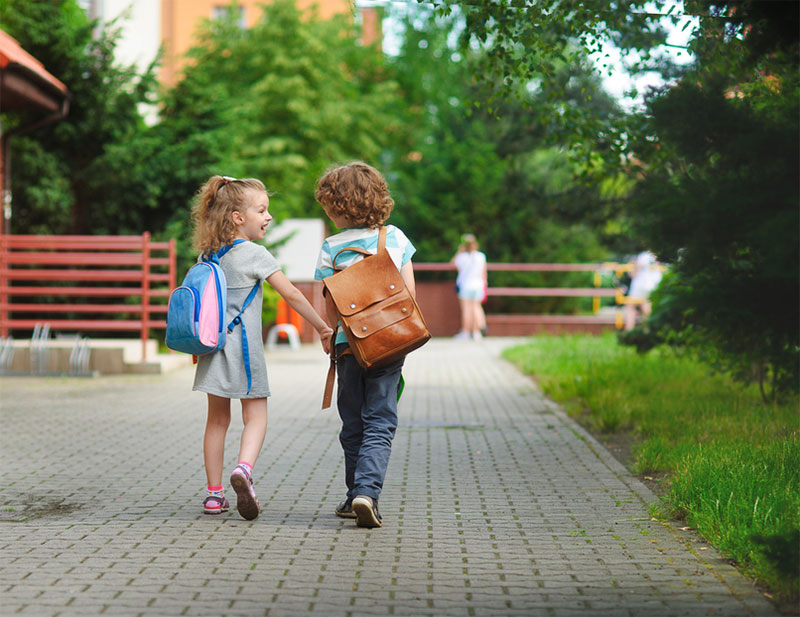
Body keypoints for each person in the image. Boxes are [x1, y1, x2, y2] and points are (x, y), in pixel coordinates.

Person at [191, 175, 333, 520]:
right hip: (244, 351)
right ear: (238, 217)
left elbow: (198, 304)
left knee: (216, 421)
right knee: (256, 415)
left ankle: (213, 496)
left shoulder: (207, 255)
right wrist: (322, 327)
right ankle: (243, 469)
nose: (268, 216)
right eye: (262, 210)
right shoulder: (254, 253)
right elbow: (293, 294)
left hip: (212, 349)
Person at [313, 162, 417, 529]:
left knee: (353, 421)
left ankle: (353, 492)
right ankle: (366, 493)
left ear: (339, 207)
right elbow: (409, 294)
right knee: (381, 420)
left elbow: (330, 302)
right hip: (389, 342)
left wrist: (330, 334)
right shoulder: (395, 239)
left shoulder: (330, 248)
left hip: (348, 346)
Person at [451, 234, 487, 340]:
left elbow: (453, 263)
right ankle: (476, 333)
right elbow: (484, 272)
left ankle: (466, 332)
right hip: (478, 285)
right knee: (476, 307)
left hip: (465, 285)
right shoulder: (481, 256)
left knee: (466, 309)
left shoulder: (461, 257)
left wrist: (459, 251)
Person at [623, 250, 663, 331]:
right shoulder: (659, 254)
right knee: (646, 306)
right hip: (654, 284)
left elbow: (635, 272)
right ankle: (648, 330)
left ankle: (629, 331)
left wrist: (631, 270)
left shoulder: (644, 255)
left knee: (630, 307)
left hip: (641, 284)